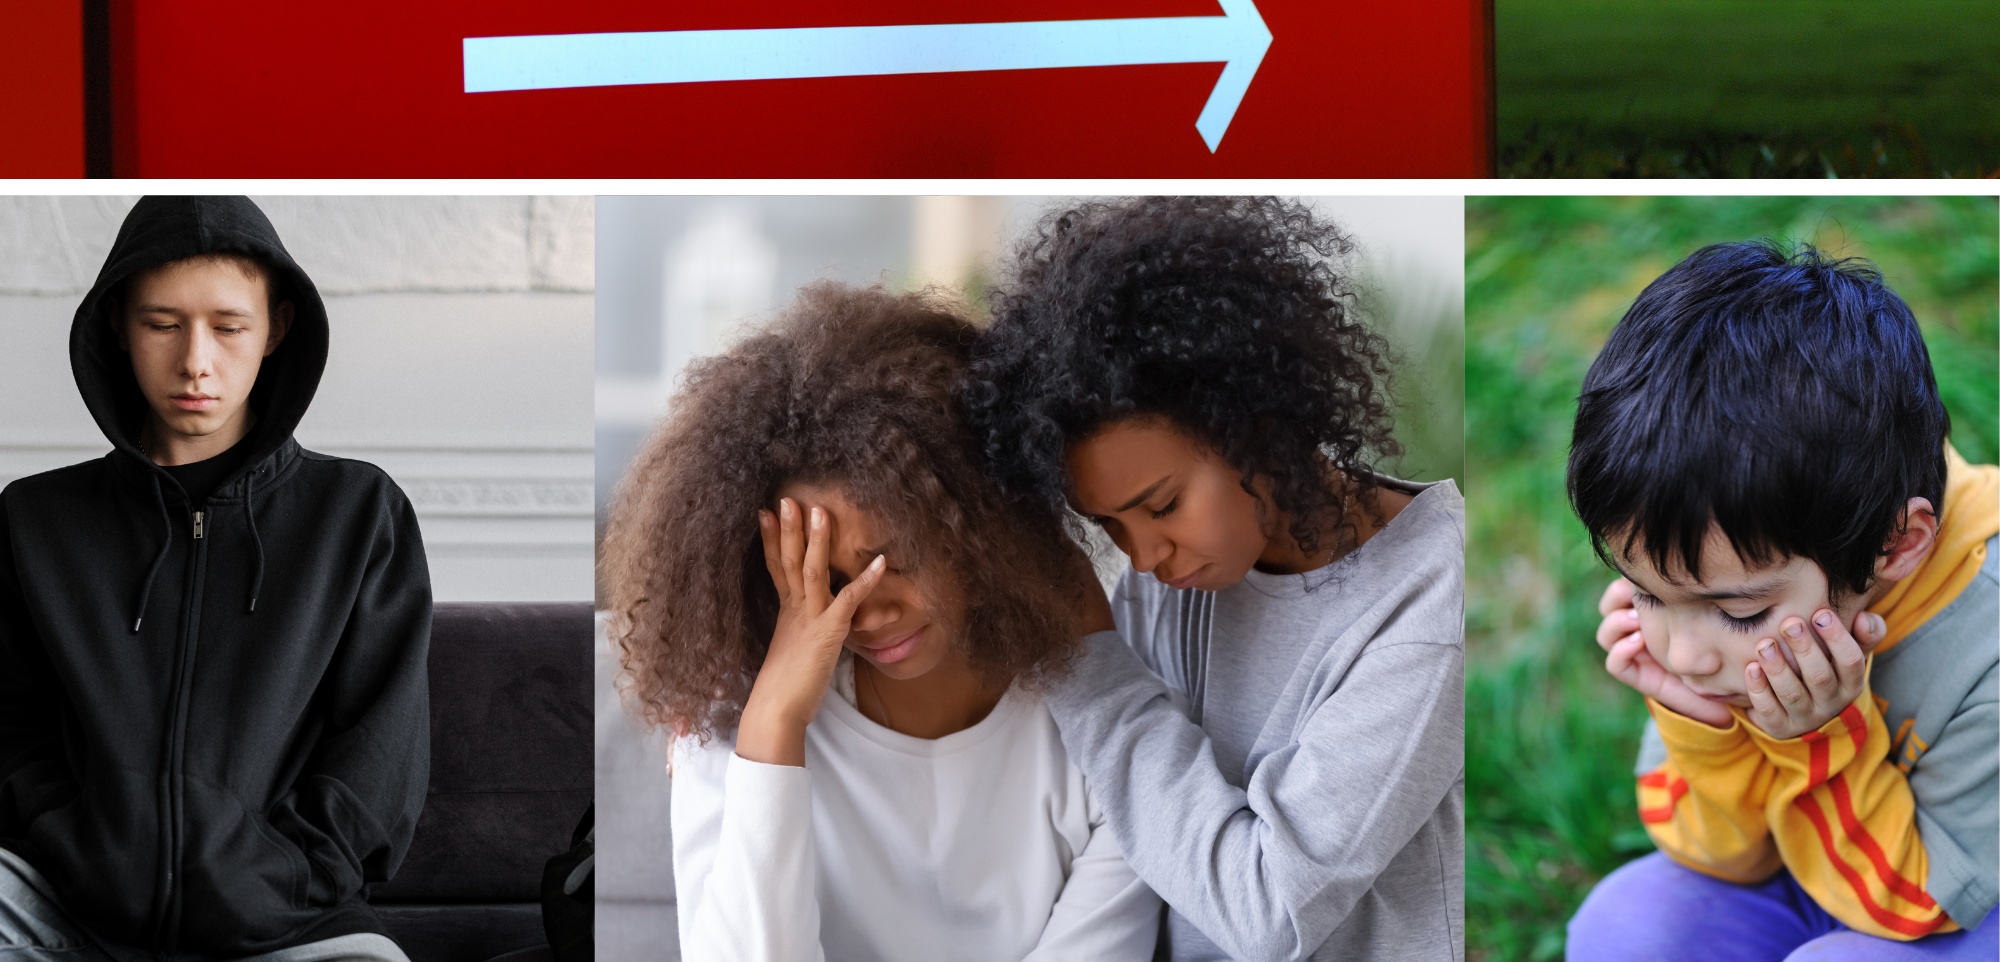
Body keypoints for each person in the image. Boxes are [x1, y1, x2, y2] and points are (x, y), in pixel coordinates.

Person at [965, 196, 1465, 962]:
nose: (1142, 558)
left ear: (1255, 424)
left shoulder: (1430, 602)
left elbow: (1269, 913)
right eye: (1109, 525)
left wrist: (1090, 660)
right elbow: (1126, 828)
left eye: (1162, 505)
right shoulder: (1175, 578)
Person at [600, 281, 1159, 962]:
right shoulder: (735, 727)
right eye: (825, 584)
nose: (869, 611)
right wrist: (772, 729)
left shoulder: (1097, 733)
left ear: (978, 527)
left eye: (895, 561)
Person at [0, 196, 432, 962]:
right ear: (117, 325)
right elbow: (9, 727)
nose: (195, 361)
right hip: (65, 909)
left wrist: (291, 876)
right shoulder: (34, 520)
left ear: (277, 328)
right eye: (162, 324)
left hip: (287, 923)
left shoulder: (360, 514)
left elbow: (380, 747)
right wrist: (69, 843)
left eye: (229, 327)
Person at [1565, 240, 1999, 960]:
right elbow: (1714, 857)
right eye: (1646, 594)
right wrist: (1704, 723)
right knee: (1622, 928)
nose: (1685, 654)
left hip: (1955, 896)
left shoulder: (1987, 645)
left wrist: (1818, 739)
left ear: (1895, 544)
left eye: (1738, 613)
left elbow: (1921, 904)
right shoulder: (1713, 615)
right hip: (1819, 860)